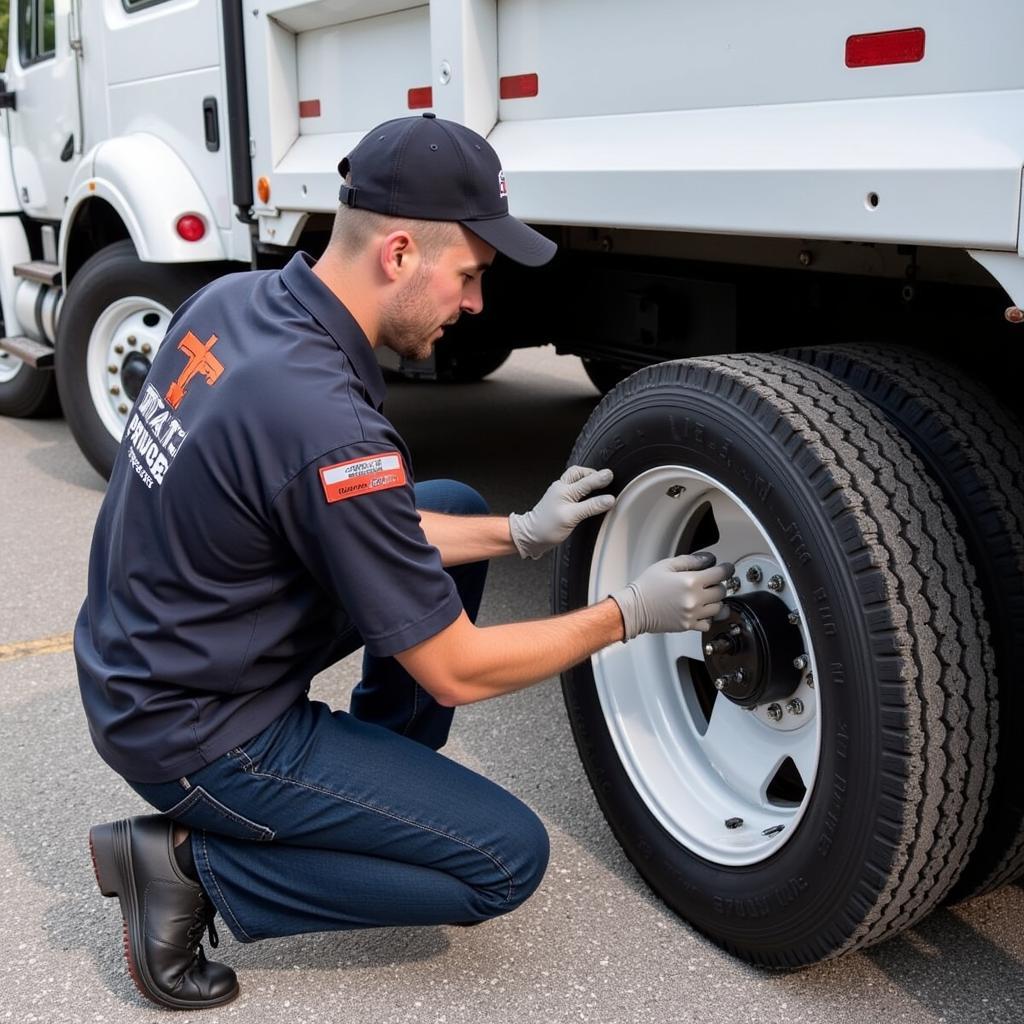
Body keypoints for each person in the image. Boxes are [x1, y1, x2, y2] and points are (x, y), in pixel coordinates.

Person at [75, 114, 733, 1011]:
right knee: (504, 860)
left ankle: (364, 792)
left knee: (455, 507)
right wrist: (627, 614)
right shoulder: (327, 422)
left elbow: (339, 513)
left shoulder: (236, 303)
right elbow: (455, 670)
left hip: (150, 655)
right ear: (397, 254)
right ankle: (190, 866)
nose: (475, 305)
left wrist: (519, 532)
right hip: (195, 731)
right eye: (468, 275)